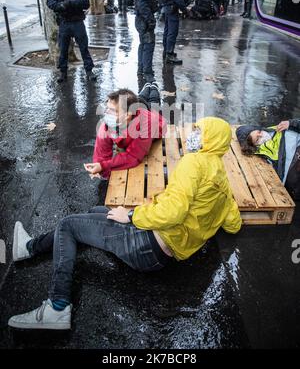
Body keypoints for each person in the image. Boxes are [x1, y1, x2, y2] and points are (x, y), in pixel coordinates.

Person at [8, 117, 241, 330]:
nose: (194, 135)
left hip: (146, 244)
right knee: (96, 212)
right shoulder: (220, 175)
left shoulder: (195, 162)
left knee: (68, 225)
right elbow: (233, 224)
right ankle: (29, 248)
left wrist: (130, 216)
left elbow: (174, 212)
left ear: (211, 139)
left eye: (200, 132)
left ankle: (57, 307)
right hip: (162, 248)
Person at [85, 88, 167, 179]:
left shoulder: (147, 124)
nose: (106, 113)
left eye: (111, 110)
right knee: (139, 99)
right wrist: (102, 171)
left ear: (127, 115)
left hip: (155, 123)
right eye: (107, 108)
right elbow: (101, 154)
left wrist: (103, 166)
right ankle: (146, 89)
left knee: (154, 101)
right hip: (135, 112)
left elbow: (134, 156)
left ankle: (153, 86)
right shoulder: (106, 125)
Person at [47, 0, 96, 83]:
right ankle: (63, 73)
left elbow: (85, 2)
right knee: (63, 49)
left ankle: (89, 71)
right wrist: (60, 6)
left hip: (77, 22)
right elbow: (50, 2)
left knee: (84, 48)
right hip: (64, 23)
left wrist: (68, 3)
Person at [236, 119, 300, 200]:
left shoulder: (281, 128)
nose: (261, 136)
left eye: (259, 132)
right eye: (257, 139)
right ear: (254, 146)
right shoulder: (265, 156)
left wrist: (292, 124)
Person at [134, 0, 158, 83]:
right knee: (148, 46)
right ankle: (147, 73)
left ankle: (141, 69)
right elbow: (142, 5)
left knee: (143, 45)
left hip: (141, 19)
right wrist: (150, 20)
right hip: (144, 20)